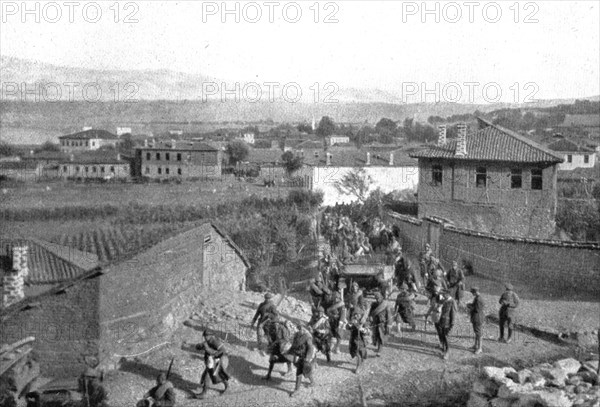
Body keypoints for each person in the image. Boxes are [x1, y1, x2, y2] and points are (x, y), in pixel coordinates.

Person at [194, 330, 231, 398]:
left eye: (207, 336)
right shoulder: (207, 342)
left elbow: (223, 351)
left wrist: (209, 350)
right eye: (205, 336)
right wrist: (199, 346)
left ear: (211, 336)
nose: (205, 337)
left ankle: (204, 393)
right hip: (212, 362)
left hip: (220, 360)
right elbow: (198, 347)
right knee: (208, 375)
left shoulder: (215, 342)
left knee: (214, 374)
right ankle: (204, 393)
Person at [289, 324, 316, 397]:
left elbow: (310, 348)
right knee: (301, 372)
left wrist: (307, 358)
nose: (299, 330)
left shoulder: (307, 337)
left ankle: (297, 390)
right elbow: (293, 345)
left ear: (303, 329)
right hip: (298, 357)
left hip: (305, 358)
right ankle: (311, 383)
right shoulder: (296, 335)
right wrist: (289, 352)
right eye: (298, 328)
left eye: (300, 328)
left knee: (302, 372)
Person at [434, 291, 457, 360]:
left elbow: (453, 313)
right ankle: (443, 346)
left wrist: (452, 323)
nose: (443, 296)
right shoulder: (443, 300)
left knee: (446, 336)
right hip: (440, 320)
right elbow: (438, 306)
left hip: (447, 322)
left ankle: (447, 351)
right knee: (441, 334)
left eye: (444, 295)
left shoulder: (452, 302)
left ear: (448, 294)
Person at [368, 292, 393, 356]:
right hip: (375, 322)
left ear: (381, 297)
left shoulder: (385, 304)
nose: (377, 299)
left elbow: (389, 314)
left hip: (383, 323)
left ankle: (379, 350)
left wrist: (389, 324)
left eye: (378, 298)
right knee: (376, 335)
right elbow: (371, 313)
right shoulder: (374, 305)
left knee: (381, 336)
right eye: (376, 298)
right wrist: (370, 317)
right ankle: (378, 347)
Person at [326, 289, 346, 354]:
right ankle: (330, 349)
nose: (335, 299)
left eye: (337, 297)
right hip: (332, 321)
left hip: (339, 321)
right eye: (334, 297)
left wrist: (341, 322)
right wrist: (332, 316)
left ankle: (337, 348)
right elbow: (327, 311)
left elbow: (343, 313)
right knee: (331, 335)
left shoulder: (341, 305)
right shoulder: (331, 303)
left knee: (339, 335)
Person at [467, 287, 485, 354]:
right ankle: (476, 345)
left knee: (479, 333)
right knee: (476, 332)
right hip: (476, 317)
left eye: (472, 293)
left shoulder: (479, 299)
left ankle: (480, 348)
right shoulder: (477, 298)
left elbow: (477, 310)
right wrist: (471, 305)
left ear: (475, 292)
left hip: (478, 317)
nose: (472, 294)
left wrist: (469, 306)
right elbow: (475, 306)